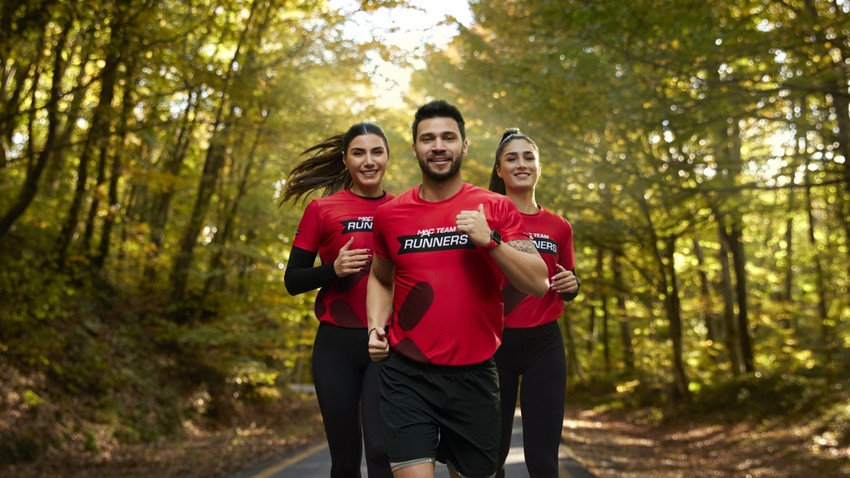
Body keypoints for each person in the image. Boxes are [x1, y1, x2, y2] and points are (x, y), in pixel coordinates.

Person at [366, 100, 550, 478]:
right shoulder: (389, 215)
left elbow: (537, 281)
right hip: (406, 375)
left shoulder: (495, 207)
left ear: (463, 146)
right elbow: (381, 277)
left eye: (448, 137)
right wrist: (374, 325)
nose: (438, 146)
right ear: (415, 147)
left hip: (475, 375)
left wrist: (490, 240)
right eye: (428, 138)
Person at [283, 122, 394, 478]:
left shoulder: (403, 209)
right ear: (345, 160)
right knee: (345, 460)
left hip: (386, 343)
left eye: (376, 151)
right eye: (359, 153)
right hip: (335, 346)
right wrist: (334, 268)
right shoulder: (322, 209)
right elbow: (293, 280)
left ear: (388, 156)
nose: (368, 160)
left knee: (381, 453)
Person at [488, 128, 580, 478]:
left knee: (542, 460)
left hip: (544, 344)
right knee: (490, 458)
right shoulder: (485, 217)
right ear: (499, 170)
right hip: (494, 344)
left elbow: (566, 281)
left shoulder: (559, 226)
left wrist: (573, 285)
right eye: (511, 158)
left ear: (539, 167)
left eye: (528, 157)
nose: (521, 164)